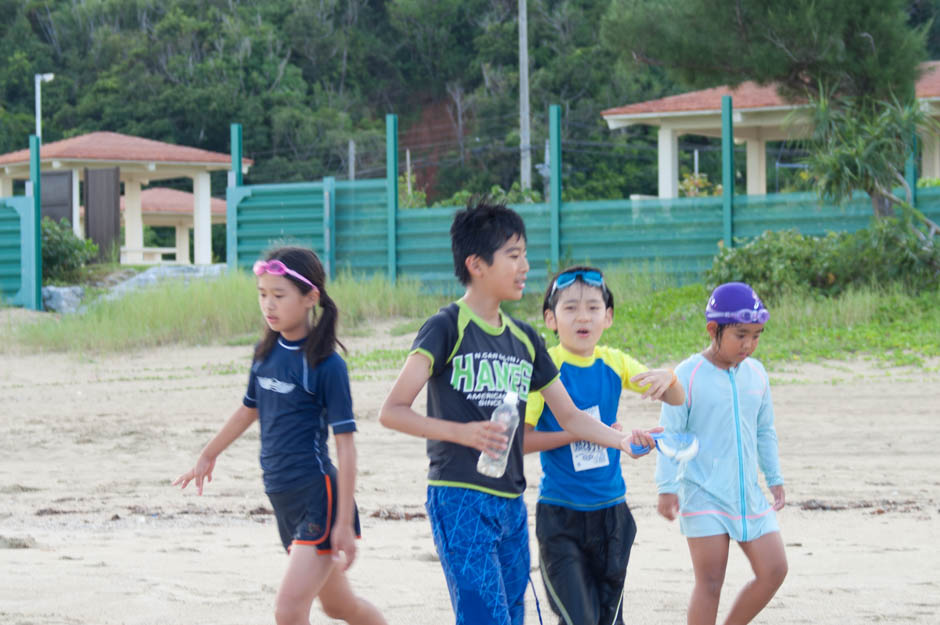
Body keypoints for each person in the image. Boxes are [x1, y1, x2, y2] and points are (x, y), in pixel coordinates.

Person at [379, 198, 660, 625]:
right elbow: (393, 411)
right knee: (484, 617)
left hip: (512, 502)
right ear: (477, 264)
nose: (525, 265)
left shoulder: (526, 339)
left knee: (511, 616)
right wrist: (465, 433)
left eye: (525, 254)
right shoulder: (446, 327)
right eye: (514, 255)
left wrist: (621, 440)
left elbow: (571, 417)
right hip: (459, 497)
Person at [173, 246, 387, 625]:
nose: (268, 305)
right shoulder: (265, 353)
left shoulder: (326, 365)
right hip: (282, 498)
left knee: (288, 611)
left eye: (279, 295)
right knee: (340, 607)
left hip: (319, 499)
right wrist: (209, 453)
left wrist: (342, 523)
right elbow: (249, 408)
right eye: (262, 295)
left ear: (310, 298)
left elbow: (346, 448)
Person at [523, 265, 686, 625]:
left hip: (612, 516)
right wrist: (578, 431)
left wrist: (669, 377)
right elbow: (521, 441)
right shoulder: (545, 367)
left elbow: (675, 397)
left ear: (608, 317)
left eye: (594, 308)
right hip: (561, 518)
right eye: (570, 308)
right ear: (551, 318)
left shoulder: (614, 362)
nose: (583, 317)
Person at [656, 281, 787, 625]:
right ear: (713, 329)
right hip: (703, 494)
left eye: (757, 335)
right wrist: (666, 487)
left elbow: (764, 431)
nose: (749, 344)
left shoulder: (757, 374)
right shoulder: (686, 375)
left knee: (774, 569)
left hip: (748, 496)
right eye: (740, 335)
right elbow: (672, 434)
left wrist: (774, 478)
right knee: (710, 583)